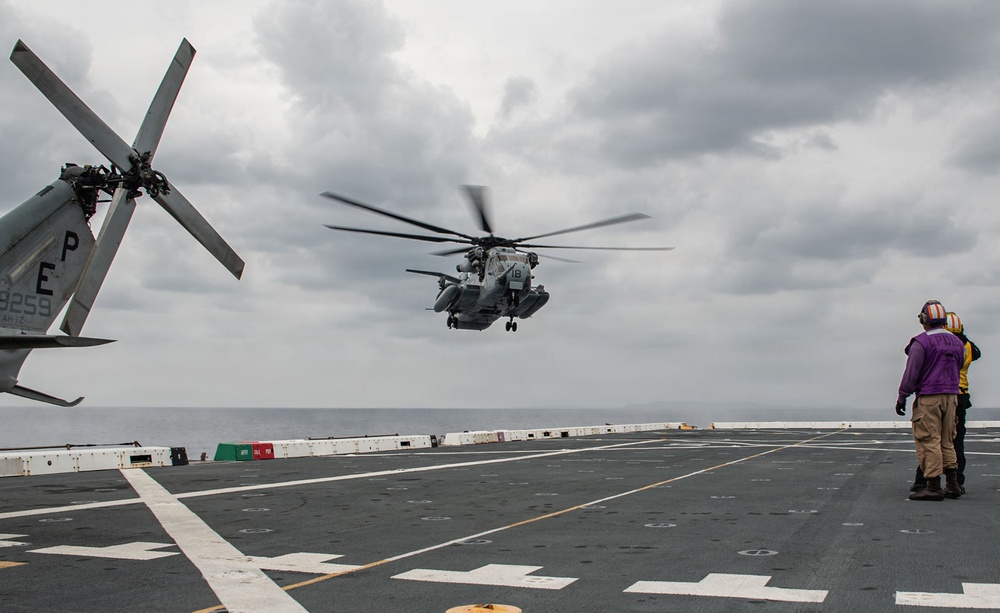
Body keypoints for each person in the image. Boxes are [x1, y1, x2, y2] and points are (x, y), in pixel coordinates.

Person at [896, 300, 965, 501]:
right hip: (952, 396)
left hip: (929, 397)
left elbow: (911, 373)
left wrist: (902, 396)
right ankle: (952, 484)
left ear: (924, 319)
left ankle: (933, 486)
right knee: (947, 440)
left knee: (929, 440)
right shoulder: (957, 342)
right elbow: (960, 365)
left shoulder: (921, 342)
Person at [908, 312, 981, 495]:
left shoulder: (938, 343)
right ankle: (956, 481)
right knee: (954, 441)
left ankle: (925, 483)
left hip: (937, 392)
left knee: (931, 439)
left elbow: (912, 351)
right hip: (959, 396)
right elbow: (976, 353)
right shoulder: (966, 346)